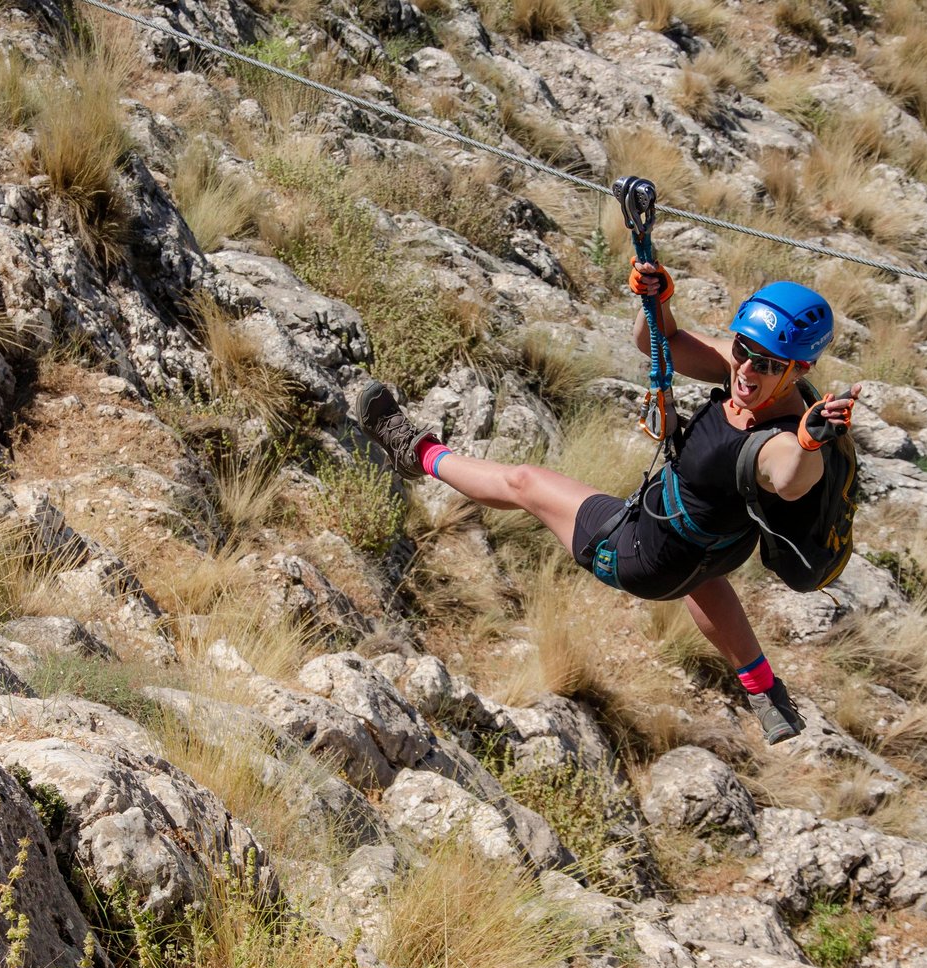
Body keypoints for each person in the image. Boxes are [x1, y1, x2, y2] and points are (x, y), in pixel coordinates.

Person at [355, 261, 861, 744]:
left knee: (525, 483)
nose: (747, 369)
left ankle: (413, 449)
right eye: (743, 347)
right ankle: (762, 688)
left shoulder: (778, 442)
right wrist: (656, 302)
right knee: (704, 574)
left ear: (800, 368)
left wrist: (810, 443)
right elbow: (660, 345)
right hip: (703, 551)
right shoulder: (744, 378)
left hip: (638, 552)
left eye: (767, 363)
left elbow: (791, 478)